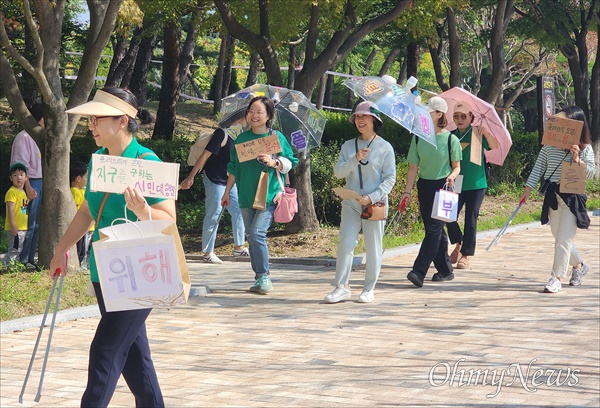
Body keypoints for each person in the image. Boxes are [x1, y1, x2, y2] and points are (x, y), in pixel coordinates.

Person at [50, 87, 175, 407]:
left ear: (122, 121)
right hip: (106, 269)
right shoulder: (99, 161)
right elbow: (88, 211)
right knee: (136, 361)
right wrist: (61, 249)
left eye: (96, 118)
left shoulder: (148, 162)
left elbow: (168, 220)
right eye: (89, 118)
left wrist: (144, 211)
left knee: (105, 353)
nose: (90, 124)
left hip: (141, 270)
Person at [222, 96, 298, 294]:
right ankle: (258, 277)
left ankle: (264, 275)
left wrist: (275, 162)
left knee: (257, 234)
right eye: (251, 111)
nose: (254, 115)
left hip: (269, 195)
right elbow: (234, 168)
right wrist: (227, 191)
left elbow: (290, 161)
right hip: (246, 194)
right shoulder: (241, 139)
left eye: (259, 112)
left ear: (269, 116)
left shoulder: (275, 137)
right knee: (251, 236)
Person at [324, 101, 396, 304]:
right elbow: (338, 173)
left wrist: (372, 197)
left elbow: (390, 178)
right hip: (351, 202)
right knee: (346, 243)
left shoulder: (385, 147)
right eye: (357, 116)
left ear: (375, 120)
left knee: (373, 247)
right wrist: (354, 159)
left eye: (364, 116)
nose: (360, 120)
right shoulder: (348, 146)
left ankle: (368, 288)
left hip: (375, 204)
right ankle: (342, 286)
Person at [519, 106, 596, 293]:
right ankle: (579, 266)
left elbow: (593, 174)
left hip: (572, 198)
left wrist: (577, 159)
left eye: (564, 123)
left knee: (563, 239)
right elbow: (538, 168)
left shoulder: (585, 149)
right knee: (557, 234)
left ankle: (556, 278)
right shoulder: (549, 147)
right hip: (553, 196)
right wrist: (527, 189)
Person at [400, 96, 462, 288]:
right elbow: (412, 168)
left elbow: (457, 167)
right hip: (424, 186)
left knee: (434, 230)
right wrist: (407, 192)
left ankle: (418, 271)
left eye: (429, 111)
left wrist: (452, 176)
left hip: (445, 188)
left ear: (439, 114)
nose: (424, 113)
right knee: (433, 231)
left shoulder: (452, 139)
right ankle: (445, 269)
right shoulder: (418, 137)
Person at [179, 127, 248, 264]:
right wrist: (191, 177)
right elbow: (205, 155)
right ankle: (208, 252)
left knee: (238, 211)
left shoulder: (243, 137)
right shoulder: (222, 133)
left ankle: (239, 247)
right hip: (214, 179)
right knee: (214, 214)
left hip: (231, 181)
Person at [445, 101, 499, 269]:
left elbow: (494, 146)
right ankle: (458, 242)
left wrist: (487, 134)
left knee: (471, 219)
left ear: (471, 117)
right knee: (447, 215)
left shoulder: (477, 133)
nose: (460, 119)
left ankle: (466, 254)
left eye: (463, 116)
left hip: (476, 183)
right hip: (455, 181)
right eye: (456, 116)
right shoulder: (450, 135)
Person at [10, 103, 43, 270]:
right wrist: (28, 186)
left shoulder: (42, 135)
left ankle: (30, 258)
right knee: (28, 221)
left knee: (37, 223)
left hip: (42, 181)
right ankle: (22, 259)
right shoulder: (24, 137)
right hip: (31, 182)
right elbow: (20, 165)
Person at [70, 161, 94, 269]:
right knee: (81, 247)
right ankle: (81, 263)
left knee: (85, 246)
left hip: (88, 227)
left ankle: (83, 263)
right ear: (78, 179)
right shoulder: (75, 192)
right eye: (86, 177)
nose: (87, 180)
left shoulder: (82, 191)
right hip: (81, 226)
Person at [4, 162, 28, 265]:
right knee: (14, 249)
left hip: (22, 227)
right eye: (15, 175)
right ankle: (11, 268)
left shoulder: (22, 192)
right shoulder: (12, 192)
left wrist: (29, 200)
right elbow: (10, 210)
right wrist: (13, 226)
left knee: (19, 249)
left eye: (21, 175)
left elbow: (23, 209)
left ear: (26, 178)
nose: (19, 177)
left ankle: (15, 267)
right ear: (10, 178)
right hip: (15, 227)